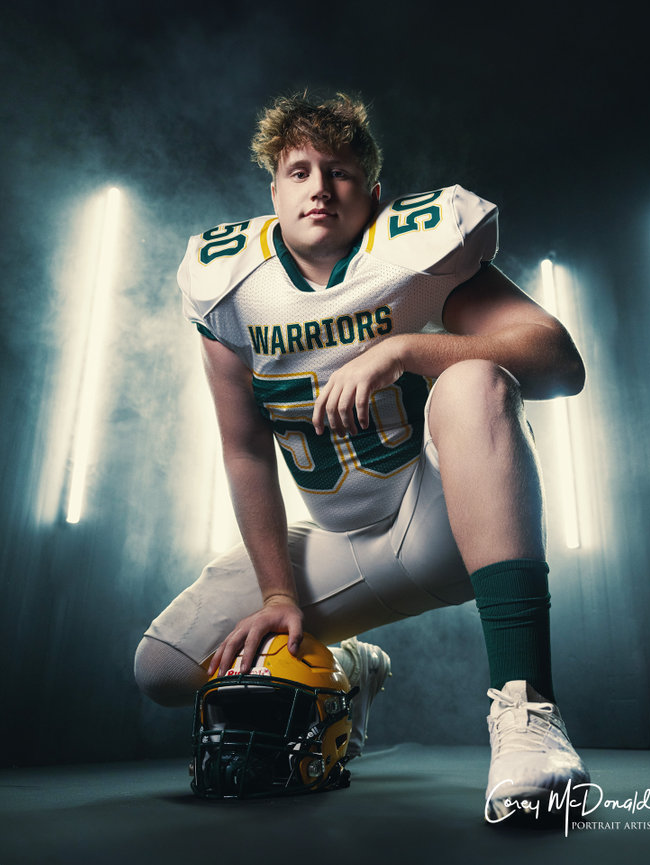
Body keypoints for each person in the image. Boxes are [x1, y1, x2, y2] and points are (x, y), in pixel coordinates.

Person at [134, 91, 590, 819]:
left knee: (473, 377)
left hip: (442, 521)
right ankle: (344, 671)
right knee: (163, 667)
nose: (320, 187)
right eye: (300, 170)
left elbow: (559, 363)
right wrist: (279, 593)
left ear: (374, 194)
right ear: (273, 189)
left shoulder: (410, 258)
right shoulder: (231, 287)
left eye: (341, 172)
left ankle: (528, 713)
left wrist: (409, 349)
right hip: (335, 540)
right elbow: (246, 448)